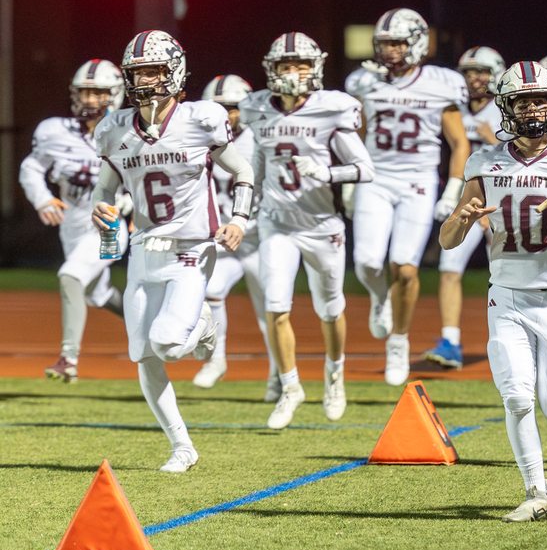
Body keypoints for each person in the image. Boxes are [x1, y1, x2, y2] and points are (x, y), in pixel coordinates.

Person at [440, 61, 547, 522]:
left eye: (541, 99)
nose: (534, 108)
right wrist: (460, 220)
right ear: (508, 106)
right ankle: (537, 490)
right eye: (524, 100)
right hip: (508, 296)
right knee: (516, 396)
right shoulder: (483, 161)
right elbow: (448, 240)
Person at [91, 30, 255, 472]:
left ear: (175, 71)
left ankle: (203, 324)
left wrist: (237, 219)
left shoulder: (201, 118)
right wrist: (101, 210)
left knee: (166, 343)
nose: (145, 80)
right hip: (144, 250)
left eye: (154, 71)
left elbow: (242, 170)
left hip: (191, 247)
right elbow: (103, 189)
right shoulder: (114, 129)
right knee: (143, 353)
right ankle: (182, 446)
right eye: (137, 72)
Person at [241, 33, 374, 428]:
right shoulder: (257, 111)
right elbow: (256, 170)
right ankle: (290, 386)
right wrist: (242, 214)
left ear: (314, 69)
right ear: (272, 70)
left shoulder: (332, 108)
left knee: (329, 309)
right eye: (286, 66)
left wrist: (327, 172)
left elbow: (366, 169)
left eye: (301, 65)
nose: (293, 73)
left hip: (322, 224)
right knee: (276, 305)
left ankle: (335, 377)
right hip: (277, 223)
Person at [344, 8, 470, 385]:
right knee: (367, 262)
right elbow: (357, 135)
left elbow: (459, 141)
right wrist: (352, 180)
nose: (390, 50)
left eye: (397, 42)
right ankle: (380, 298)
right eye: (385, 43)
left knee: (405, 265)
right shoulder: (364, 81)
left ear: (416, 43)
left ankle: (398, 342)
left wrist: (452, 187)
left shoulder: (440, 82)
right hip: (376, 179)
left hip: (417, 181)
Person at [21, 60, 129, 382]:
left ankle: (68, 359)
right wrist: (42, 197)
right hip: (73, 228)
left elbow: (150, 175)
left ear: (115, 94)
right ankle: (148, 322)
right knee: (97, 294)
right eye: (85, 93)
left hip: (109, 226)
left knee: (70, 277)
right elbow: (31, 168)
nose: (90, 100)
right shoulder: (54, 130)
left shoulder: (129, 131)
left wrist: (131, 201)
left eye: (97, 93)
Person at [190, 75, 276, 396]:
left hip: (258, 237)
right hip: (223, 237)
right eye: (219, 108)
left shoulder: (260, 139)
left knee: (272, 308)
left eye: (234, 108)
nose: (227, 115)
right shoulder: (195, 139)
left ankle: (279, 373)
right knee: (211, 291)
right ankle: (216, 360)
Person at [423, 46, 505, 369]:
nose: (474, 78)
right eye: (469, 72)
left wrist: (496, 141)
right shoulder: (454, 109)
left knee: (508, 273)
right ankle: (450, 341)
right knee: (448, 267)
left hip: (502, 201)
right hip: (469, 200)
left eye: (481, 71)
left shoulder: (505, 109)